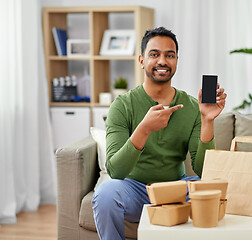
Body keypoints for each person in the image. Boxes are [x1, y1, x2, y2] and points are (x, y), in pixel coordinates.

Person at [92, 27, 227, 240]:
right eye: (154, 54)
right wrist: (144, 129)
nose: (162, 61)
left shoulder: (191, 106)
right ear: (142, 60)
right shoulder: (122, 105)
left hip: (176, 190)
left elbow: (204, 171)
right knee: (106, 194)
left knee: (212, 191)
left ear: (176, 61)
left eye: (169, 55)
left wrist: (207, 120)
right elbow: (116, 170)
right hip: (133, 190)